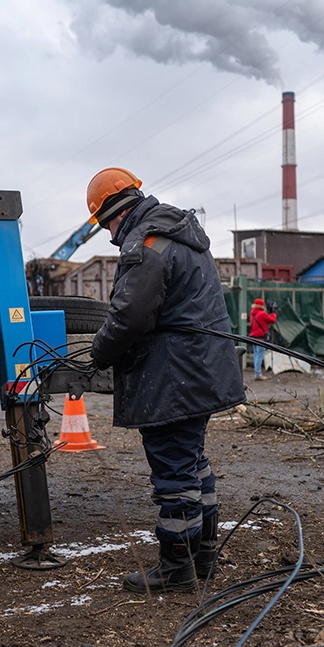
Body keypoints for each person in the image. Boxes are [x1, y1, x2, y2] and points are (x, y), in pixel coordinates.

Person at [87, 167, 245, 594]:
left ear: (113, 215)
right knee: (194, 463)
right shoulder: (182, 234)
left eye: (106, 227)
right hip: (201, 371)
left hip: (173, 378)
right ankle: (204, 554)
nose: (111, 236)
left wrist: (97, 354)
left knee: (175, 471)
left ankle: (177, 568)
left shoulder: (147, 244)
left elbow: (129, 317)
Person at [248, 298, 277, 381]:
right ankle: (258, 374)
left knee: (256, 355)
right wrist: (273, 313)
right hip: (260, 337)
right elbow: (272, 320)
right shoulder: (262, 314)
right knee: (260, 356)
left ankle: (257, 373)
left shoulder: (253, 314)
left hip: (253, 337)